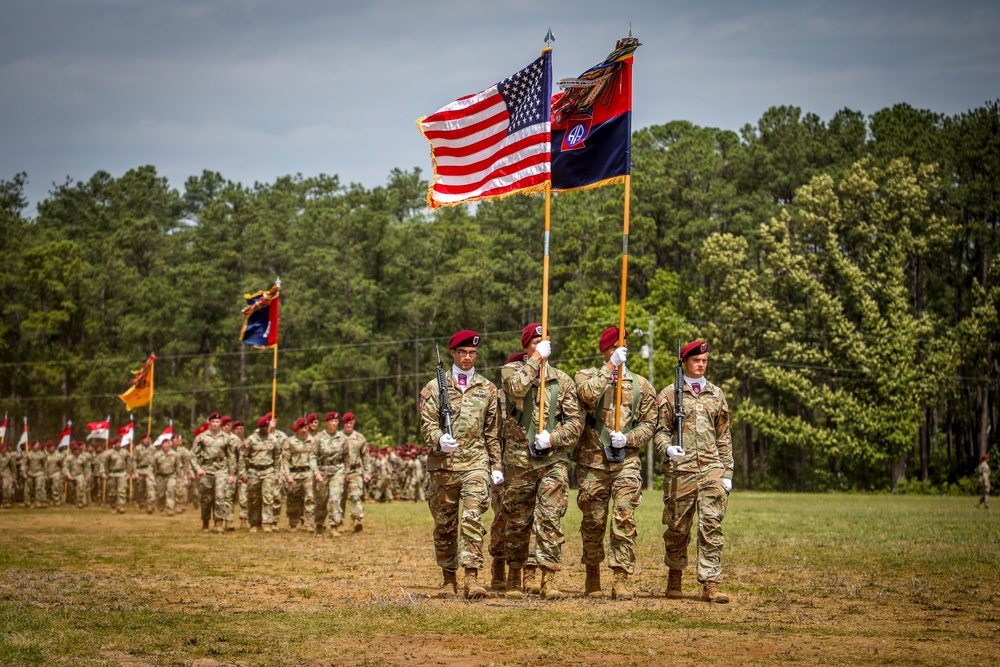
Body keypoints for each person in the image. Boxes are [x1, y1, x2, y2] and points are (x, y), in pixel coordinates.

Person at [501, 324, 584, 600]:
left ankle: (549, 578)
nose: (542, 344)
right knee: (518, 519)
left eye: (545, 341)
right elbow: (515, 388)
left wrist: (554, 438)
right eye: (536, 341)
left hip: (552, 460)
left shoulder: (563, 381)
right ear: (526, 345)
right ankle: (517, 574)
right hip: (519, 460)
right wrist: (535, 361)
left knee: (550, 518)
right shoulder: (512, 371)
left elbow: (575, 422)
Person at [574, 327, 658, 599]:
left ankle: (620, 579)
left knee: (624, 518)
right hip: (593, 462)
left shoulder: (640, 384)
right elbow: (587, 395)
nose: (620, 352)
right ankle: (593, 577)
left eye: (622, 348)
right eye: (613, 348)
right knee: (593, 522)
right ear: (605, 350)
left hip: (626, 463)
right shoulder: (587, 376)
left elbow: (650, 422)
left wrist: (630, 438)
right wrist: (611, 367)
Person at [419, 329, 502, 599]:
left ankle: (471, 578)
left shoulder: (487, 389)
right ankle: (448, 579)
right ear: (453, 353)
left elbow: (492, 432)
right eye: (462, 352)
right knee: (445, 525)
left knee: (472, 518)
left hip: (475, 463)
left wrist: (496, 466)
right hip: (443, 466)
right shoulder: (434, 387)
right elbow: (427, 424)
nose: (467, 357)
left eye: (472, 353)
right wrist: (438, 438)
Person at [654, 340, 733, 603]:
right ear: (685, 361)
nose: (701, 364)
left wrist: (727, 472)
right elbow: (659, 432)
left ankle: (711, 583)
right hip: (681, 471)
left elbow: (724, 436)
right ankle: (675, 576)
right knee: (678, 528)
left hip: (711, 469)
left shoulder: (716, 394)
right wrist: (667, 449)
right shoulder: (669, 394)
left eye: (705, 361)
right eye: (696, 360)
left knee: (711, 526)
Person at [190, 412, 237, 533]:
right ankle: (205, 522)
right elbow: (192, 455)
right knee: (206, 499)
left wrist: (231, 474)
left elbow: (231, 457)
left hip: (222, 470)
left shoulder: (226, 438)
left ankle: (218, 523)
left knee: (220, 497)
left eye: (217, 422)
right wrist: (197, 468)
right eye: (213, 422)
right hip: (206, 470)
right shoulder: (201, 437)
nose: (215, 424)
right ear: (209, 423)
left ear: (220, 423)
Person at [239, 413, 285, 532]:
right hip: (254, 471)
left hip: (268, 471)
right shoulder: (251, 439)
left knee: (268, 498)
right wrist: (243, 473)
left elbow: (277, 458)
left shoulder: (273, 439)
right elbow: (243, 457)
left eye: (266, 427)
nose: (265, 429)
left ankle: (267, 523)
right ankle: (254, 523)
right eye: (262, 427)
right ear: (259, 427)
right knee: (253, 498)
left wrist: (276, 474)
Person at [284, 417, 320, 531]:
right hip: (294, 473)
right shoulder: (289, 442)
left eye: (306, 427)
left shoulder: (313, 441)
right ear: (297, 429)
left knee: (310, 497)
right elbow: (285, 460)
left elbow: (317, 458)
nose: (304, 430)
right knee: (293, 499)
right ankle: (293, 523)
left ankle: (309, 523)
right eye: (302, 428)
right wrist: (287, 475)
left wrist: (317, 473)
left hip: (308, 473)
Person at [314, 411, 345, 536]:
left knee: (335, 499)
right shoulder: (319, 438)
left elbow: (346, 456)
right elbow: (312, 456)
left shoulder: (342, 438)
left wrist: (345, 472)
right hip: (322, 471)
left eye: (336, 421)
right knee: (321, 500)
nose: (334, 423)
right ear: (326, 422)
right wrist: (316, 473)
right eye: (331, 421)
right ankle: (319, 524)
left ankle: (334, 526)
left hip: (337, 470)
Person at [340, 412, 372, 532]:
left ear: (353, 423)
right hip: (340, 472)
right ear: (343, 424)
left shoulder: (359, 438)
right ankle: (339, 522)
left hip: (355, 471)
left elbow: (365, 456)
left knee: (356, 496)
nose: (349, 425)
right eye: (347, 423)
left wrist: (367, 472)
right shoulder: (338, 437)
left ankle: (357, 520)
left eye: (351, 423)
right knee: (340, 498)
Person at [101, 437, 133, 514]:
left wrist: (129, 473)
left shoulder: (125, 452)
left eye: (119, 442)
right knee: (112, 492)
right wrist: (103, 472)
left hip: (122, 473)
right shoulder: (108, 453)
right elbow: (103, 463)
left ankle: (120, 506)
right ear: (113, 444)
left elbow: (129, 463)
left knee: (122, 490)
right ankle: (113, 506)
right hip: (112, 474)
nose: (118, 444)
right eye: (116, 443)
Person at [153, 437, 182, 515]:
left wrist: (179, 477)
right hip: (160, 476)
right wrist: (152, 475)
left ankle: (170, 508)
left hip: (171, 475)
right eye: (164, 444)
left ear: (169, 445)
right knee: (160, 494)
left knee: (170, 490)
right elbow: (152, 466)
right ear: (162, 445)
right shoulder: (157, 454)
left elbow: (178, 466)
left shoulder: (175, 454)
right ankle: (161, 508)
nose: (165, 445)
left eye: (167, 444)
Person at [131, 432, 156, 513]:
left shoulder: (153, 449)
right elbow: (134, 461)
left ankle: (150, 504)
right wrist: (135, 472)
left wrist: (154, 472)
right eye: (145, 438)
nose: (147, 440)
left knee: (150, 486)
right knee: (140, 489)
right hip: (140, 470)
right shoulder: (137, 448)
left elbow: (155, 461)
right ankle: (141, 503)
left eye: (148, 438)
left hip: (149, 470)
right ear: (142, 439)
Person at [62, 441, 92, 508]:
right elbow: (65, 468)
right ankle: (70, 501)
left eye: (78, 450)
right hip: (71, 475)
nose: (77, 451)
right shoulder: (68, 458)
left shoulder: (82, 458)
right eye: (75, 450)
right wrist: (68, 475)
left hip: (80, 475)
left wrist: (88, 475)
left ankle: (80, 502)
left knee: (81, 487)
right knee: (71, 489)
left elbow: (87, 467)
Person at [23, 440, 48, 508]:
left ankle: (39, 501)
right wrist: (24, 473)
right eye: (36, 444)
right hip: (30, 473)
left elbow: (45, 465)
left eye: (38, 444)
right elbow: (24, 464)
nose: (37, 445)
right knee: (29, 487)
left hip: (39, 473)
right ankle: (28, 501)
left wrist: (45, 474)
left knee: (39, 487)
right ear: (33, 446)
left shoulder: (42, 454)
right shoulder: (28, 454)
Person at [1, 441, 19, 508]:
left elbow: (13, 467)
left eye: (4, 448)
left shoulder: (10, 456)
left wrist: (14, 477)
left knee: (6, 486)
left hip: (6, 474)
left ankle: (6, 501)